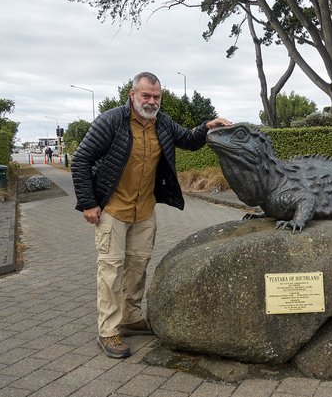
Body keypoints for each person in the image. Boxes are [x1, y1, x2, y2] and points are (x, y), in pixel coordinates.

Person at [71, 72, 231, 359]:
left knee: (137, 266)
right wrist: (88, 203)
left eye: (156, 96)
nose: (151, 101)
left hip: (144, 210)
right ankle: (108, 331)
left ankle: (130, 318)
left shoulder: (163, 123)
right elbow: (81, 159)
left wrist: (207, 126)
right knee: (111, 270)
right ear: (132, 95)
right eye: (146, 95)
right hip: (113, 210)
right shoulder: (110, 121)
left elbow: (189, 140)